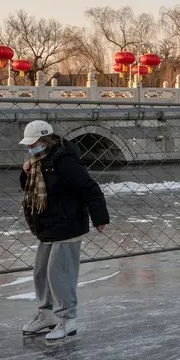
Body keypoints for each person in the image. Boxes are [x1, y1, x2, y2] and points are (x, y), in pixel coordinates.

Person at [18, 120, 109, 342]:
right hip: (47, 226)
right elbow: (29, 189)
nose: (31, 148)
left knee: (59, 275)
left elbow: (90, 188)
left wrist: (100, 218)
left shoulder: (65, 161)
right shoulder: (37, 161)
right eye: (29, 145)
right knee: (41, 272)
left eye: (35, 143)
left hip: (68, 225)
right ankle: (47, 314)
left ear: (47, 140)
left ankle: (67, 320)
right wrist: (25, 172)